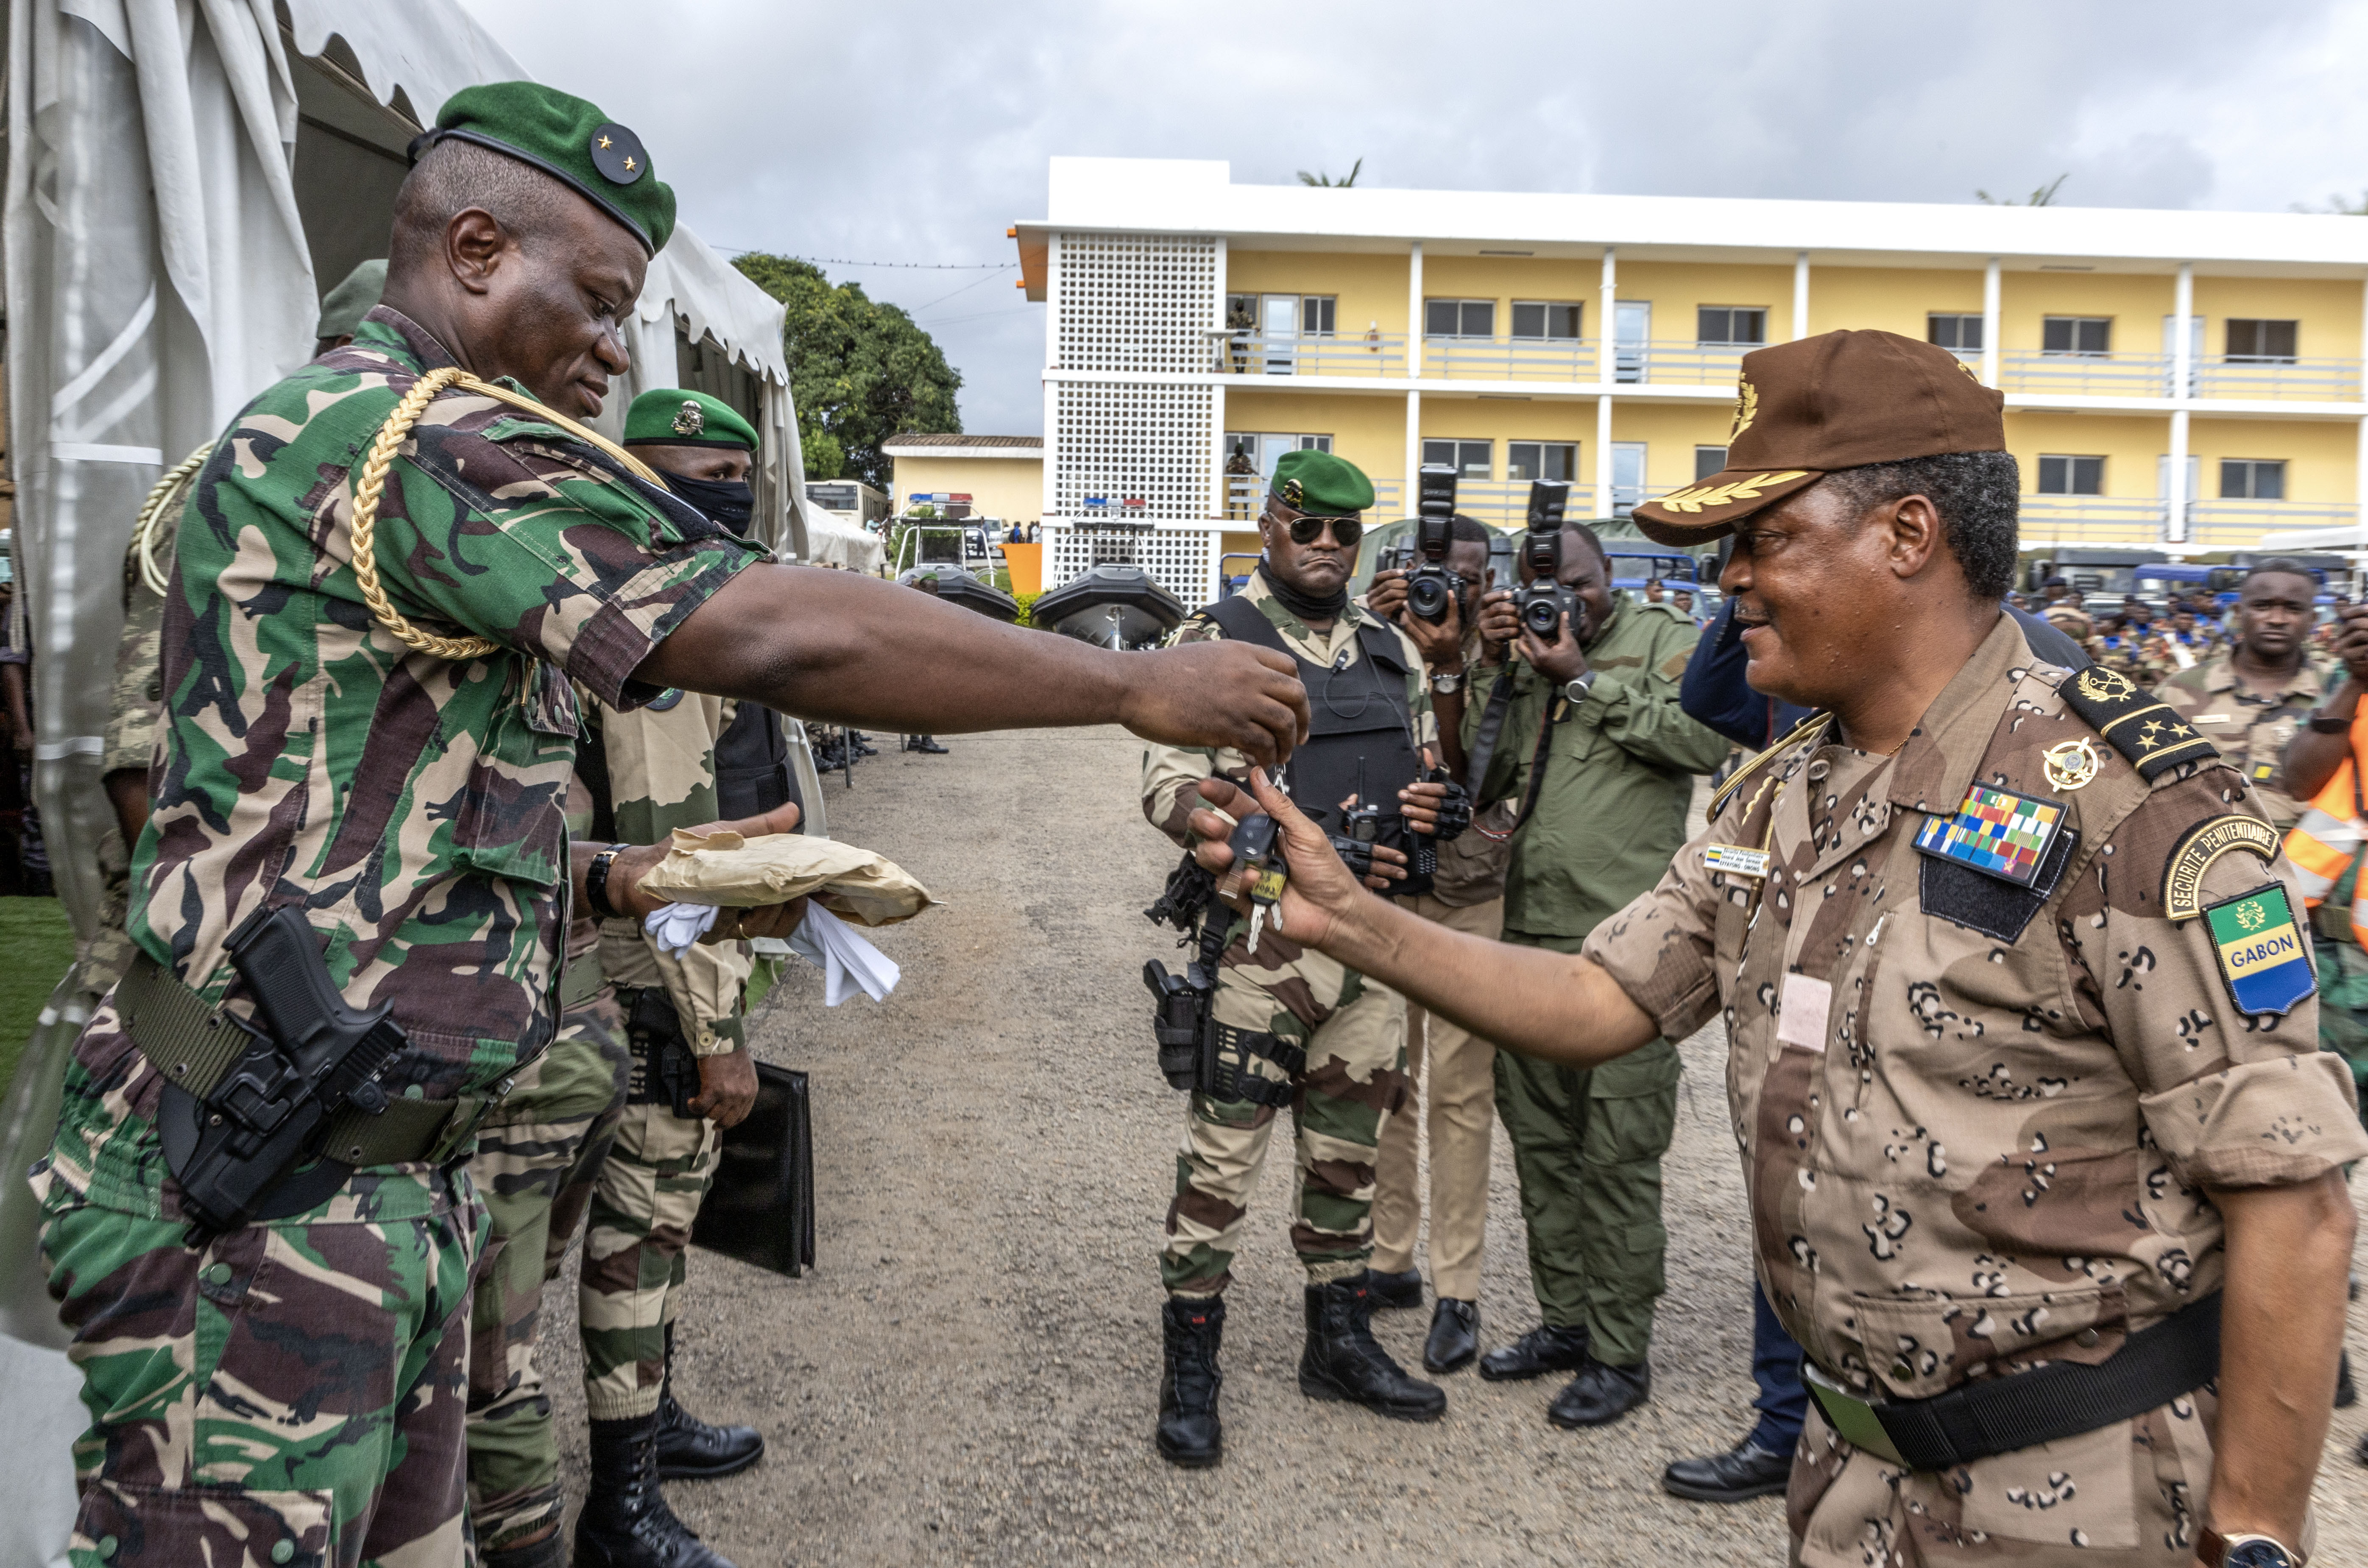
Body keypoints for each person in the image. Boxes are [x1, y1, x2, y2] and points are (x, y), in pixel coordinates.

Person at [31, 81, 1306, 1567]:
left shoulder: (375, 455)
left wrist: (632, 873)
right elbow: (775, 633)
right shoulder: (414, 439)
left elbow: (339, 833)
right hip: (269, 1198)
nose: (613, 351)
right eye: (597, 299)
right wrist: (1130, 678)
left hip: (366, 1177)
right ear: (477, 245)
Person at [1187, 329, 2364, 1568]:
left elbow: (2292, 1197)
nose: (1729, 580)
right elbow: (1600, 994)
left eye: (1767, 539)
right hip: (1851, 1466)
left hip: (2084, 1493)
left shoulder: (2126, 798)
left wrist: (2251, 1538)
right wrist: (1346, 915)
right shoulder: (1779, 791)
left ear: (1908, 535)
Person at [462, 388, 787, 1568]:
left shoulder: (664, 597)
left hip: (653, 967)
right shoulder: (640, 624)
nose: (724, 503)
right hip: (647, 982)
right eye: (699, 478)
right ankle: (621, 1499)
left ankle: (645, 1427)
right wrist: (715, 1034)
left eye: (734, 479)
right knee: (634, 1238)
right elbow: (676, 841)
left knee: (656, 1233)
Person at [1139, 447, 1445, 1469]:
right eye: (1303, 527)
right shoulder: (1213, 639)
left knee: (1346, 1157)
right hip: (1262, 941)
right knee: (1222, 1160)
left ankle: (1339, 1342)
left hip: (1367, 934)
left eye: (1342, 533)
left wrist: (1422, 811)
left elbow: (1422, 767)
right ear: (1266, 527)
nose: (1323, 548)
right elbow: (1164, 783)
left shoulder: (1391, 648)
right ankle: (1190, 1365)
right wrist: (1213, 826)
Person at [1461, 519, 1725, 1429]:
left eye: (1576, 583)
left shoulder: (1663, 642)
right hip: (1528, 942)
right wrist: (1490, 668)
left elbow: (1702, 740)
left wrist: (1581, 678)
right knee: (1541, 1148)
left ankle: (1619, 1352)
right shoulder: (1521, 650)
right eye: (1544, 586)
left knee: (1614, 1155)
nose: (1560, 602)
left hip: (1627, 952)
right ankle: (1563, 1322)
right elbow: (1481, 778)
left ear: (1607, 573)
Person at [1361, 515, 1509, 1373]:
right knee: (1387, 1081)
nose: (1446, 592)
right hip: (1385, 883)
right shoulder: (1366, 644)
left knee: (1459, 1092)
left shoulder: (1511, 657)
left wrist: (1450, 663)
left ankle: (1457, 1287)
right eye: (1430, 575)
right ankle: (1389, 1258)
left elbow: (1475, 774)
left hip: (1463, 892)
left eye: (1466, 576)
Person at [2159, 561, 2335, 831]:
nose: (2277, 619)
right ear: (2239, 613)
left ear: (2313, 620)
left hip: (2311, 862)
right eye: (2262, 606)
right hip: (2204, 860)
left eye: (2293, 608)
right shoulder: (2178, 690)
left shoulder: (2339, 693)